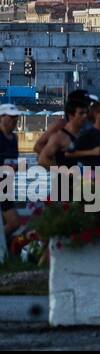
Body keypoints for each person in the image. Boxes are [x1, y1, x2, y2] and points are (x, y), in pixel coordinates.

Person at [0, 104, 22, 247]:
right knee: (13, 222)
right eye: (11, 117)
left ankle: (5, 248)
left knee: (14, 223)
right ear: (1, 117)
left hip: (6, 186)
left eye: (16, 118)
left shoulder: (14, 138)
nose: (14, 121)